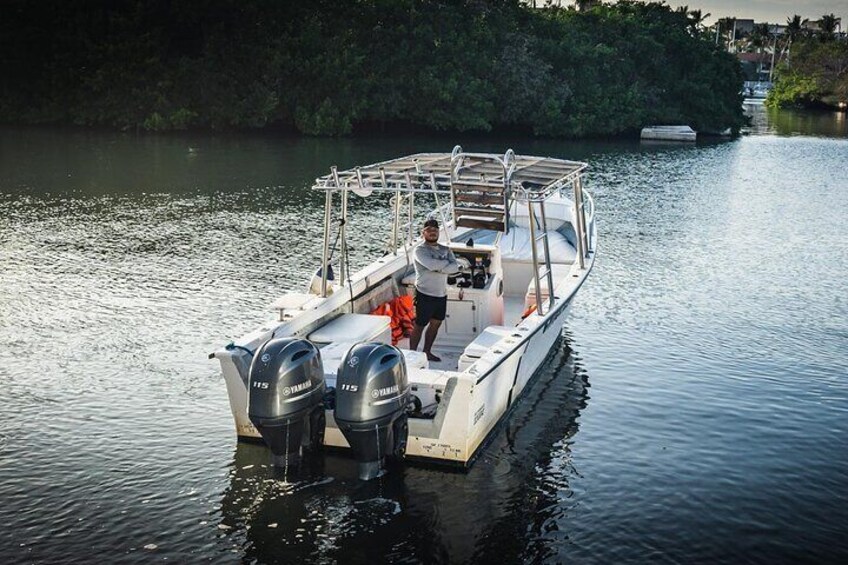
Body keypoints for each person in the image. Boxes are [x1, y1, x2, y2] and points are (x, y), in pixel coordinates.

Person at [410, 218, 458, 362]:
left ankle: (427, 352)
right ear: (423, 233)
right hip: (424, 293)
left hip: (441, 294)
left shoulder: (446, 249)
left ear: (438, 232)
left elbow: (454, 267)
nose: (432, 232)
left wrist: (440, 267)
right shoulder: (419, 250)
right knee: (420, 325)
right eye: (429, 230)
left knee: (436, 323)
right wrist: (444, 266)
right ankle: (412, 355)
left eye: (435, 230)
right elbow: (431, 265)